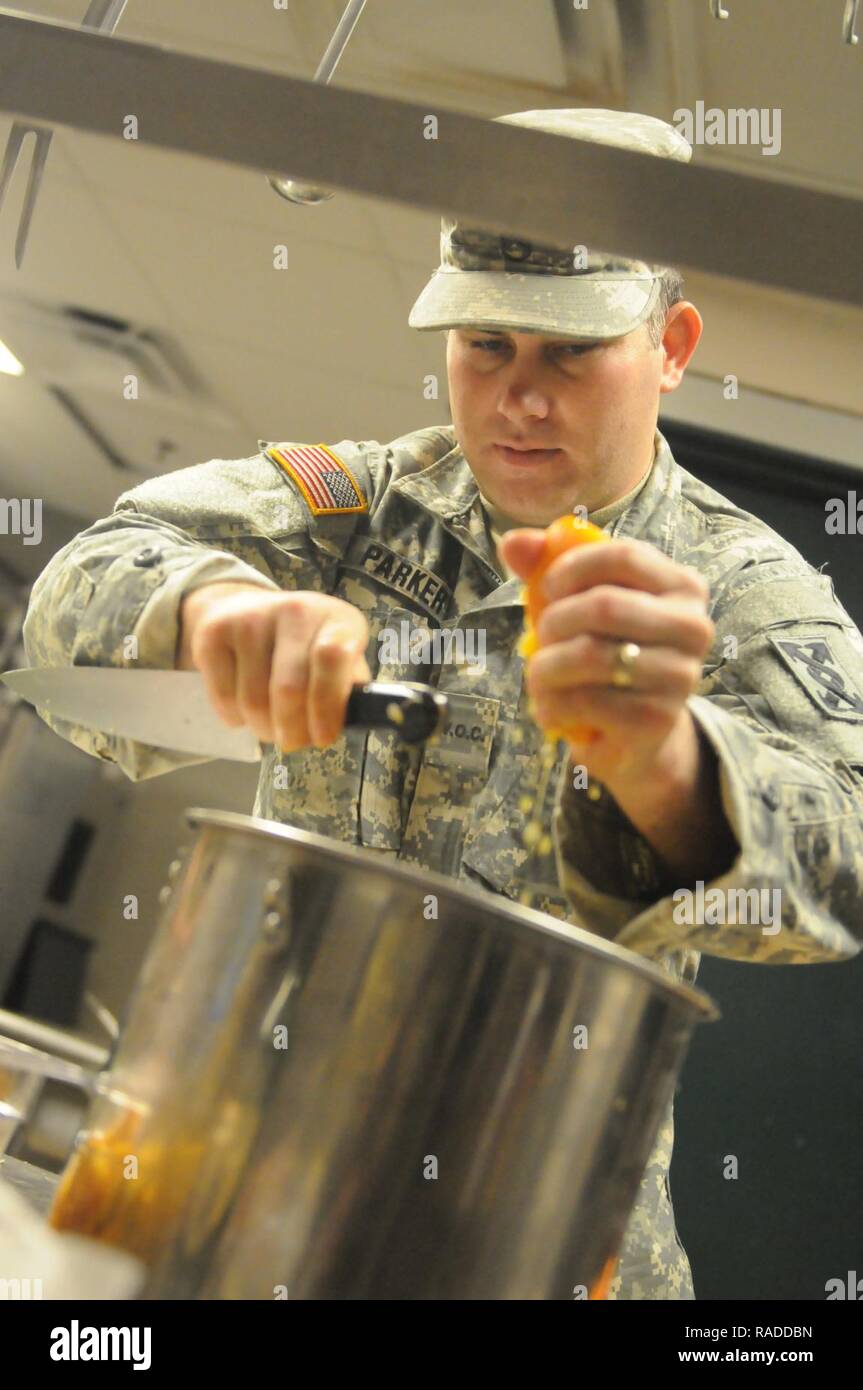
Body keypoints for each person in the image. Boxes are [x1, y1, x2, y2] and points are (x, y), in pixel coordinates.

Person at [22, 109, 863, 1300]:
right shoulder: (358, 507)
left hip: (545, 1224)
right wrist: (209, 614)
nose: (517, 399)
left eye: (568, 354)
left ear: (670, 345)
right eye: (483, 346)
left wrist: (666, 765)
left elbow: (844, 862)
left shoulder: (744, 589)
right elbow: (90, 575)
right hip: (243, 1182)